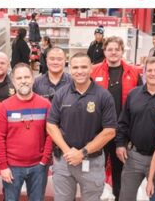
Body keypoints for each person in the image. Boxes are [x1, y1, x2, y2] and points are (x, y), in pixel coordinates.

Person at [46, 52, 118, 201]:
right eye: (76, 67)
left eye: (84, 67)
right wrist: (68, 152)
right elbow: (51, 125)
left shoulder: (103, 96)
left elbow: (109, 131)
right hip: (64, 161)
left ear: (91, 68)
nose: (79, 71)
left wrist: (82, 153)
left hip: (92, 161)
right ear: (70, 69)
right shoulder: (61, 94)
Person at [115, 57, 155, 201]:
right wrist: (120, 144)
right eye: (149, 70)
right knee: (125, 197)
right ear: (144, 73)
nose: (153, 74)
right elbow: (123, 122)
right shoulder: (134, 94)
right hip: (133, 157)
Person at [92, 36, 141, 200]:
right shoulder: (94, 71)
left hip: (122, 131)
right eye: (110, 49)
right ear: (104, 51)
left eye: (117, 49)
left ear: (122, 51)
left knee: (120, 170)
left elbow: (139, 100)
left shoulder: (133, 72)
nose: (113, 52)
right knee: (96, 169)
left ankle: (118, 196)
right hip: (98, 130)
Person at [0, 64, 53, 201]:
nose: (23, 81)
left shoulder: (45, 104)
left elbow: (51, 135)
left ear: (33, 79)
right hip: (12, 166)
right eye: (19, 78)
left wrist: (44, 160)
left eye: (27, 77)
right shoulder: (5, 106)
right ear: (13, 82)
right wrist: (3, 166)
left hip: (38, 166)